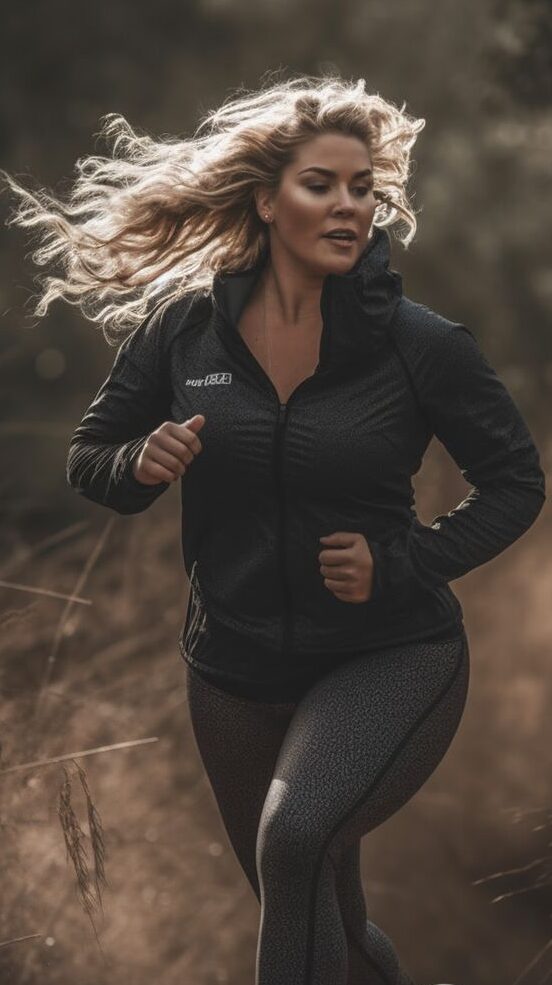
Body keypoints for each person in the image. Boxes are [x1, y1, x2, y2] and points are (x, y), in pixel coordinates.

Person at [3, 74, 545, 985]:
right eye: (321, 184)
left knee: (293, 841)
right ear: (266, 199)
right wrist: (138, 463)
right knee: (316, 905)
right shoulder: (185, 332)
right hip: (234, 667)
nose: (349, 205)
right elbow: (90, 455)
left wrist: (403, 559)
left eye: (363, 187)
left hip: (390, 652)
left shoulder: (421, 345)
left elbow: (517, 484)